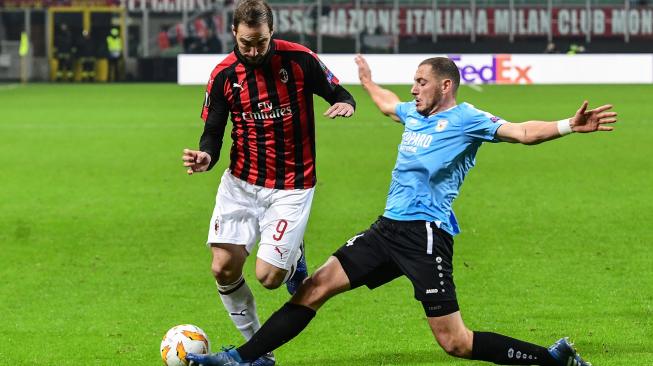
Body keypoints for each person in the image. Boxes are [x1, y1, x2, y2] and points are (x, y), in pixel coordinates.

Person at [186, 54, 617, 366]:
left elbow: (522, 132)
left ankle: (552, 359)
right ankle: (239, 359)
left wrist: (567, 126)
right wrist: (368, 82)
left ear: (445, 85)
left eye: (421, 81)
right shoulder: (414, 113)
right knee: (313, 289)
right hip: (386, 230)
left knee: (455, 343)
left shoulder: (468, 119)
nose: (414, 89)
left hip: (425, 236)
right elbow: (388, 103)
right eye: (413, 82)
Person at [181, 1, 356, 365]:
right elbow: (213, 132)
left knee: (270, 278)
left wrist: (346, 104)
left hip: (292, 186)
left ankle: (293, 258)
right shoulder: (223, 75)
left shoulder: (300, 60)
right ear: (234, 33)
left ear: (271, 32)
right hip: (241, 184)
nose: (254, 51)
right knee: (222, 268)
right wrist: (206, 157)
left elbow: (339, 92)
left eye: (260, 42)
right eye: (246, 43)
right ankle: (259, 353)